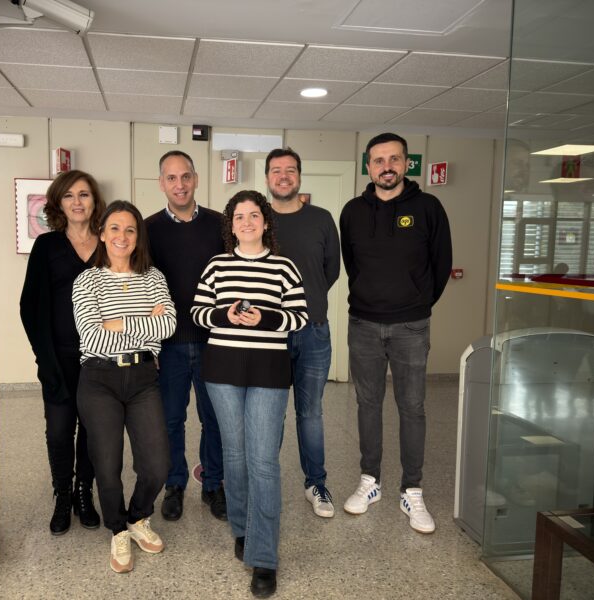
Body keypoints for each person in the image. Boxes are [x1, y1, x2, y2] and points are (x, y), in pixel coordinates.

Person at [192, 190, 308, 598]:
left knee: (263, 461)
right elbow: (198, 312)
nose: (247, 222)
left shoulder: (284, 267)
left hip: (268, 373)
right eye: (239, 216)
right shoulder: (217, 265)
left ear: (266, 222)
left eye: (254, 215)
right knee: (235, 455)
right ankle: (242, 528)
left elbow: (299, 316)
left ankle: (264, 556)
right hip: (222, 371)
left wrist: (266, 319)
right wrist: (226, 315)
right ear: (231, 224)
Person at [339, 132, 452, 534]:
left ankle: (412, 490)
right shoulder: (353, 211)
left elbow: (441, 264)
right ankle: (370, 480)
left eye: (394, 159)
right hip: (364, 324)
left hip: (411, 326)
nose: (386, 167)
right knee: (367, 404)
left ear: (406, 163)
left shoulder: (428, 207)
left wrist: (416, 302)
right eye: (378, 160)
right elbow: (352, 264)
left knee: (412, 408)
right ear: (368, 167)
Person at [72, 200, 176, 573]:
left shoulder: (154, 278)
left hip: (144, 378)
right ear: (102, 234)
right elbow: (91, 336)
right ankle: (117, 528)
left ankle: (137, 517)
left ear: (138, 236)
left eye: (130, 229)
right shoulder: (87, 280)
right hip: (99, 378)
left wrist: (117, 321)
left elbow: (167, 326)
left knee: (158, 464)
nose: (122, 236)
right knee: (107, 463)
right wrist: (143, 319)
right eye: (114, 228)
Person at [20, 169, 104, 535]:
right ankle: (62, 494)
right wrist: (44, 358)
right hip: (59, 357)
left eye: (83, 194)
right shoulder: (47, 246)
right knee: (58, 431)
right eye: (69, 195)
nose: (77, 202)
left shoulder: (108, 244)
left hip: (101, 358)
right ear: (58, 203)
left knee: (93, 430)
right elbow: (29, 306)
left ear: (94, 200)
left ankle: (85, 492)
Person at [145, 150, 227, 522]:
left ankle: (213, 485)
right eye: (171, 178)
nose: (180, 184)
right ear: (161, 183)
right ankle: (175, 484)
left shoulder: (220, 225)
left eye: (185, 176)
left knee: (214, 419)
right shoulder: (147, 229)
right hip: (169, 345)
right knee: (170, 421)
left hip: (213, 342)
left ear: (195, 179)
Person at [265, 147, 340, 518]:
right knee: (271, 413)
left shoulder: (321, 219)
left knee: (310, 413)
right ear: (267, 178)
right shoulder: (258, 219)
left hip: (312, 331)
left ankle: (316, 484)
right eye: (276, 170)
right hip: (270, 334)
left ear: (299, 176)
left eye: (290, 169)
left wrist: (305, 303)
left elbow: (330, 271)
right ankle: (266, 484)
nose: (284, 176)